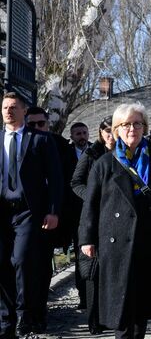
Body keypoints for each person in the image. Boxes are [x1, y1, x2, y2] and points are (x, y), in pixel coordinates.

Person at [79, 103, 151, 339]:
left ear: (144, 127)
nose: (132, 128)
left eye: (137, 123)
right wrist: (87, 238)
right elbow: (91, 204)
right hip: (115, 243)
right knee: (121, 310)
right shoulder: (105, 163)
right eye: (125, 124)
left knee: (141, 307)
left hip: (150, 239)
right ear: (116, 129)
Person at [0, 93, 62, 338]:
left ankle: (25, 314)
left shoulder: (41, 140)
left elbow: (56, 179)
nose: (8, 111)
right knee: (2, 263)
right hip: (2, 211)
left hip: (28, 211)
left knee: (22, 260)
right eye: (5, 107)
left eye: (14, 107)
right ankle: (6, 320)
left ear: (24, 111)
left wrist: (53, 211)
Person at [24, 107, 78, 326]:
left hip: (50, 214)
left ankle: (38, 310)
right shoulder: (18, 142)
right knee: (22, 263)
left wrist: (57, 212)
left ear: (47, 124)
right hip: (23, 212)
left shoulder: (59, 144)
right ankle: (24, 310)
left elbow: (65, 181)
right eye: (32, 124)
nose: (37, 128)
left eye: (40, 124)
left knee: (43, 263)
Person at [71, 116, 115, 335]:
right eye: (106, 130)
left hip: (118, 217)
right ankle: (94, 319)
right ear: (100, 132)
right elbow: (76, 182)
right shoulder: (91, 154)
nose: (110, 134)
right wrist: (92, 197)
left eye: (112, 130)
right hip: (94, 216)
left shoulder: (126, 153)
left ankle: (110, 315)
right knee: (93, 269)